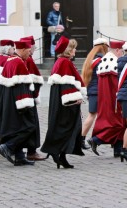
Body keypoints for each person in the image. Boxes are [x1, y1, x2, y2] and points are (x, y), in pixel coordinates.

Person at [41, 36, 86, 169]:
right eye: (74, 48)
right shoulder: (65, 63)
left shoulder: (61, 61)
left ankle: (60, 155)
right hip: (67, 103)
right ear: (68, 50)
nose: (75, 51)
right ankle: (57, 152)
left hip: (61, 101)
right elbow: (66, 84)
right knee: (68, 127)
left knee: (64, 127)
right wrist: (74, 99)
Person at [0, 40, 39, 166]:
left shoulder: (10, 60)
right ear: (24, 50)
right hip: (19, 101)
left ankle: (19, 157)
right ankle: (8, 146)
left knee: (17, 127)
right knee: (29, 126)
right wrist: (25, 105)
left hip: (9, 100)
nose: (30, 54)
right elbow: (22, 86)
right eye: (29, 51)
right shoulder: (19, 62)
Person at [88, 40, 126, 157]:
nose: (123, 54)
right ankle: (96, 140)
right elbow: (116, 85)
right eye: (122, 52)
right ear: (118, 50)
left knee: (118, 123)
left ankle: (118, 150)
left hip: (104, 99)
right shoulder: (114, 63)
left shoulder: (103, 62)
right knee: (119, 123)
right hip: (114, 100)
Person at [80, 38, 109, 150]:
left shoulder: (91, 59)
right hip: (98, 91)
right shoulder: (101, 60)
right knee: (92, 115)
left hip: (92, 90)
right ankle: (82, 139)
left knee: (92, 115)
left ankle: (82, 139)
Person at [20, 36, 46, 161]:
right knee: (32, 124)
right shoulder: (28, 60)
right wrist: (35, 94)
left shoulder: (22, 59)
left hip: (24, 97)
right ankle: (31, 151)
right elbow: (35, 80)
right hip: (29, 97)